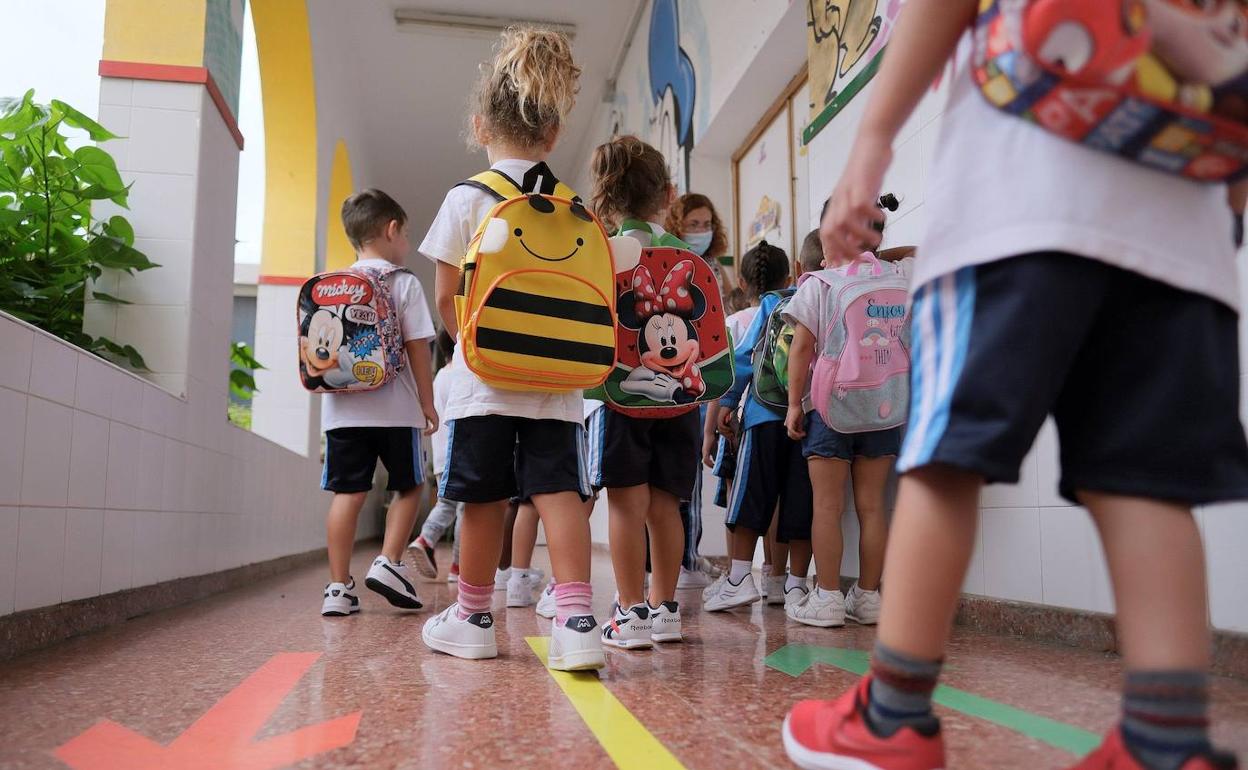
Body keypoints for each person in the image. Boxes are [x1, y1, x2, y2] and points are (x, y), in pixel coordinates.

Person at [781, 2, 1248, 768]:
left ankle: (892, 716)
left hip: (1022, 199)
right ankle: (1165, 743)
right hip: (1182, 221)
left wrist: (869, 147)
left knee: (946, 454)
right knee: (1148, 483)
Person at [418, 27, 604, 672]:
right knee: (558, 491)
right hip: (558, 380)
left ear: (479, 125)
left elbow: (447, 297)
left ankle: (472, 617)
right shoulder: (573, 206)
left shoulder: (467, 198)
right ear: (553, 136)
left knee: (483, 495)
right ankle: (579, 620)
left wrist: (474, 347)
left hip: (485, 380)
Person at [588, 135, 702, 649]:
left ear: (609, 201)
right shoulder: (686, 257)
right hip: (682, 399)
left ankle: (630, 613)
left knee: (625, 508)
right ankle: (666, 610)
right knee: (666, 507)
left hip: (622, 397)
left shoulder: (605, 253)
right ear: (668, 194)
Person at [782, 217, 912, 629]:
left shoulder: (818, 284)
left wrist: (792, 405)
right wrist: (876, 251)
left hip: (831, 409)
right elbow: (918, 252)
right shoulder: (899, 277)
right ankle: (870, 597)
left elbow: (801, 350)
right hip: (885, 407)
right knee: (873, 506)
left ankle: (828, 597)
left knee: (827, 506)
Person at [319, 189, 438, 617]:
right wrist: (427, 403)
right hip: (396, 408)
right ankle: (389, 561)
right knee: (410, 485)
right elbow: (418, 348)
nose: (405, 243)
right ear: (391, 230)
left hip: (341, 409)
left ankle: (337, 588)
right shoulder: (402, 282)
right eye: (404, 234)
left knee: (347, 494)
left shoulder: (333, 285)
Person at [702, 241, 815, 614]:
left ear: (799, 267)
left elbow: (746, 356)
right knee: (801, 502)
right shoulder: (828, 299)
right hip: (811, 418)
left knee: (750, 496)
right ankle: (796, 586)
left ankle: (738, 578)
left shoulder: (773, 302)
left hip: (764, 416)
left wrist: (730, 403)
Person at [667, 193, 734, 587]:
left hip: (701, 379)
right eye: (693, 224)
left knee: (690, 476)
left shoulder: (712, 267)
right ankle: (680, 560)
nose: (701, 231)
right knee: (675, 476)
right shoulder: (678, 262)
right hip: (676, 375)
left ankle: (687, 557)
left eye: (706, 223)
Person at [408, 330, 462, 581]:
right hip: (459, 454)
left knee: (447, 504)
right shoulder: (458, 377)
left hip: (441, 457)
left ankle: (426, 538)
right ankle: (459, 566)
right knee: (466, 510)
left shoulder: (440, 376)